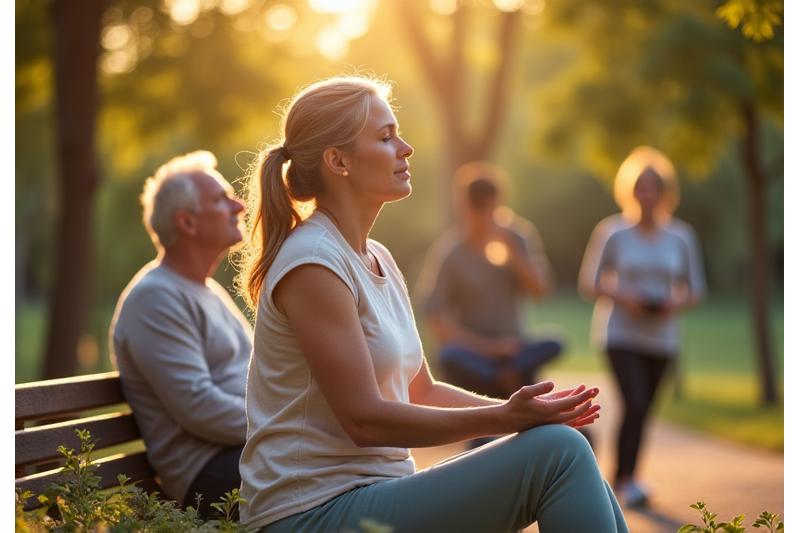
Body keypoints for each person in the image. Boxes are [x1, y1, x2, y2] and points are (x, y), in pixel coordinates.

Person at [235, 76, 627, 533]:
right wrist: (505, 416)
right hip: (313, 513)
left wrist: (522, 416)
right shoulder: (313, 264)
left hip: (372, 496)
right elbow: (364, 420)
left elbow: (422, 391)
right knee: (560, 452)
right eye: (385, 137)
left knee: (560, 443)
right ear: (337, 160)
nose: (406, 148)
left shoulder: (374, 255)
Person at [109, 151, 252, 518]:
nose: (238, 205)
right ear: (187, 223)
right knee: (334, 475)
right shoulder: (154, 298)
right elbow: (200, 409)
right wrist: (288, 426)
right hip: (208, 473)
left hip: (243, 454)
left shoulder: (204, 291)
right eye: (221, 199)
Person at [578, 146, 706, 508]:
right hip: (619, 333)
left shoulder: (682, 237)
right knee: (633, 401)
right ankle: (624, 480)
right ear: (630, 192)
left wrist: (672, 303)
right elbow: (590, 282)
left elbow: (696, 289)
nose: (647, 195)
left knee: (643, 408)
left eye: (654, 188)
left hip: (662, 339)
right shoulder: (613, 232)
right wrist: (623, 295)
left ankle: (627, 477)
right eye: (641, 188)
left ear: (665, 193)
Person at [416, 162, 562, 403]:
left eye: (490, 209)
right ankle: (502, 380)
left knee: (555, 342)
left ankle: (504, 378)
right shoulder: (451, 252)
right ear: (464, 208)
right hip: (476, 355)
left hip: (517, 349)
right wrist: (490, 348)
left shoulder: (518, 237)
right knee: (449, 355)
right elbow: (436, 320)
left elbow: (540, 290)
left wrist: (513, 253)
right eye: (477, 210)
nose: (484, 218)